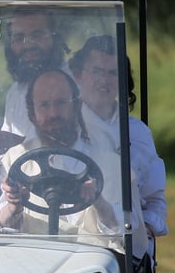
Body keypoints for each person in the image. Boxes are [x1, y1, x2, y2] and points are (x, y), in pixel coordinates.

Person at [0, 69, 147, 260]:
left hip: (92, 268)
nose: (53, 113)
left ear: (76, 106)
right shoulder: (15, 159)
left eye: (60, 103)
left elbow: (133, 240)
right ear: (32, 114)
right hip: (32, 262)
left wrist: (100, 203)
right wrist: (14, 206)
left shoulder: (113, 166)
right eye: (44, 105)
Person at [69, 35, 168, 241]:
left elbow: (155, 200)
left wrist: (146, 228)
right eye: (96, 71)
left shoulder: (137, 132)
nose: (104, 81)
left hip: (124, 247)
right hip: (74, 241)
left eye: (113, 73)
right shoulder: (63, 125)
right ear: (78, 75)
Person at [0, 8, 69, 155]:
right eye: (19, 38)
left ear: (54, 38)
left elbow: (77, 142)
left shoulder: (73, 83)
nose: (28, 45)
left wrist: (20, 144)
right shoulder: (16, 91)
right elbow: (7, 152)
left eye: (37, 35)